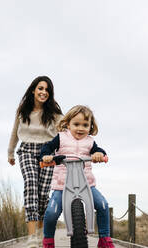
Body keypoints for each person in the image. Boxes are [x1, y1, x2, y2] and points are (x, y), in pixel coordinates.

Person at [40, 105, 115, 248]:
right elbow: (47, 148)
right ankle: (48, 241)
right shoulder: (61, 138)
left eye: (85, 125)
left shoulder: (90, 141)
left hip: (87, 184)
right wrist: (46, 156)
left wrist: (99, 154)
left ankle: (104, 239)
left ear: (90, 126)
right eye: (76, 124)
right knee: (51, 212)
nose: (80, 128)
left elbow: (99, 151)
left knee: (103, 205)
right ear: (68, 124)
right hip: (62, 185)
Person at [7, 76, 62, 248]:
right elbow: (15, 132)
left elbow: (65, 131)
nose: (43, 92)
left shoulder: (54, 114)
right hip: (26, 150)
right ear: (33, 89)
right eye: (40, 88)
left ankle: (39, 233)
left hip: (47, 153)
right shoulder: (22, 110)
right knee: (31, 184)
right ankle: (31, 236)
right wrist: (10, 152)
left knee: (43, 193)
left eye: (47, 90)